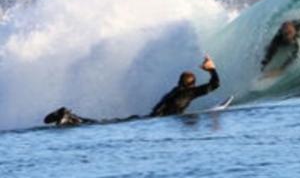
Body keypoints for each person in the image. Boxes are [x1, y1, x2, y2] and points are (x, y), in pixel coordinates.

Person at [43, 55, 220, 126]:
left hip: (147, 118)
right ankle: (69, 117)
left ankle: (71, 117)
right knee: (102, 124)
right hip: (150, 121)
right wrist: (211, 69)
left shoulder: (174, 90)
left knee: (103, 122)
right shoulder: (189, 92)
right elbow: (215, 84)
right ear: (193, 85)